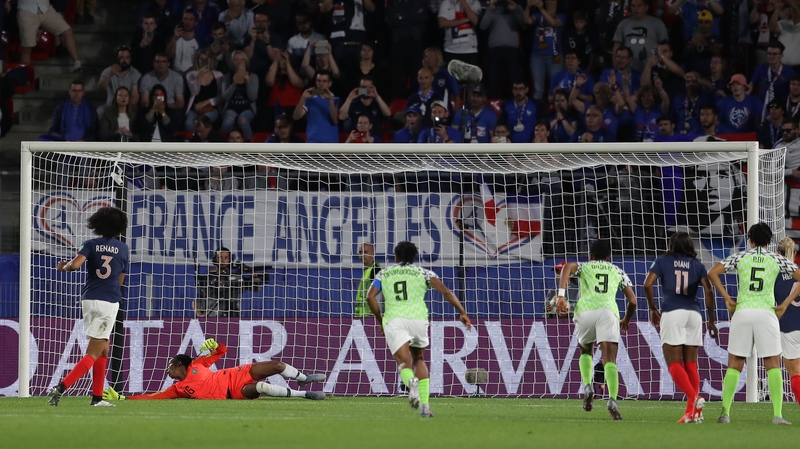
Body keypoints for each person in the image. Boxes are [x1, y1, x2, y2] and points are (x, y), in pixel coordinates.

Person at [707, 222, 800, 425]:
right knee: (772, 365)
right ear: (769, 241)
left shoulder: (742, 256)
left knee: (735, 365)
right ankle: (777, 415)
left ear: (750, 239)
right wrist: (783, 305)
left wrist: (727, 299)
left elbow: (712, 273)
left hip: (743, 312)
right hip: (766, 314)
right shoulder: (776, 258)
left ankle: (725, 413)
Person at [366, 241, 472, 417]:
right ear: (413, 257)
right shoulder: (424, 272)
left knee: (403, 363)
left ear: (396, 256)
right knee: (419, 359)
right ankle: (424, 406)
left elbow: (370, 297)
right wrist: (462, 312)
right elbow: (446, 291)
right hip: (418, 320)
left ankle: (411, 383)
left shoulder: (384, 273)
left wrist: (380, 320)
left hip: (395, 319)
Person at [48, 207, 129, 407]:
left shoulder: (91, 244)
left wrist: (64, 267)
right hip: (108, 302)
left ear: (97, 224)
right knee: (93, 353)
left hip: (89, 299)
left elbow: (75, 265)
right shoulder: (123, 248)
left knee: (103, 350)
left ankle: (97, 398)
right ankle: (61, 387)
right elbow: (121, 278)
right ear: (120, 227)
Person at [554, 239, 637, 420]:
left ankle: (587, 386)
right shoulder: (617, 271)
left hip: (585, 312)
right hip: (608, 313)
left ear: (591, 255)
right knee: (610, 360)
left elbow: (567, 266)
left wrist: (561, 296)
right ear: (609, 257)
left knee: (585, 351)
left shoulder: (585, 267)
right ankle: (612, 400)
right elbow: (633, 301)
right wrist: (626, 319)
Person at [643, 232, 717, 423]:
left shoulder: (663, 261)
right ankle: (691, 413)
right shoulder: (698, 265)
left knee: (674, 364)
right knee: (691, 364)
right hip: (694, 314)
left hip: (673, 312)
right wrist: (710, 319)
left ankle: (694, 398)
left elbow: (647, 284)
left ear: (672, 245)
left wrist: (652, 308)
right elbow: (709, 291)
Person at [101, 338, 326, 401]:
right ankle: (305, 394)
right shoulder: (178, 389)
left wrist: (214, 344)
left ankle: (304, 378)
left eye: (170, 364)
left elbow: (222, 351)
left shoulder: (198, 363)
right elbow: (153, 397)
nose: (168, 369)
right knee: (262, 387)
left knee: (277, 366)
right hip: (234, 392)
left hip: (237, 372)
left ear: (179, 364)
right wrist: (124, 399)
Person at [194, 247, 262, 317]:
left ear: (230, 260)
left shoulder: (235, 277)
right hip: (213, 317)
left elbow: (256, 289)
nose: (223, 261)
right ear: (215, 259)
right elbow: (196, 301)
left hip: (233, 316)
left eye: (226, 258)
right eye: (220, 258)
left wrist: (256, 279)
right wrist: (200, 314)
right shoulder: (208, 278)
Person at [18, 0, 83, 72]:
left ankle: (77, 65)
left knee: (68, 31)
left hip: (46, 9)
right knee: (27, 47)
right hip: (27, 11)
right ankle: (25, 75)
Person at [774, 236, 800, 411]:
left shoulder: (773, 276)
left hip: (788, 327)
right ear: (795, 253)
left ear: (777, 253)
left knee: (795, 373)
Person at [480, 0, 525, 99]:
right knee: (493, 82)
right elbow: (483, 26)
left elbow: (524, 25)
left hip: (512, 51)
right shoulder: (493, 9)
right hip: (494, 51)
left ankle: (513, 107)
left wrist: (516, 10)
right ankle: (493, 106)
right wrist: (490, 10)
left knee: (514, 81)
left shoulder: (516, 8)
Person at [523, 0, 565, 102]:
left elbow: (554, 23)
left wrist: (541, 9)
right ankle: (537, 115)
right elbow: (527, 21)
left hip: (554, 57)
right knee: (538, 90)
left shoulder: (561, 16)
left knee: (556, 89)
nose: (549, 2)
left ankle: (556, 114)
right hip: (537, 57)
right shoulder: (538, 15)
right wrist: (528, 7)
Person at [386, 0, 428, 99]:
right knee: (397, 76)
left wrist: (400, 17)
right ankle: (397, 102)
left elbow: (423, 17)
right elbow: (391, 21)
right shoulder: (394, 2)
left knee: (415, 75)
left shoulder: (420, 2)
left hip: (415, 43)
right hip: (398, 44)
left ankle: (415, 100)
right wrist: (413, 16)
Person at [612, 0, 668, 73]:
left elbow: (666, 48)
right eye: (633, 6)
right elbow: (616, 47)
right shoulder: (623, 24)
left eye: (639, 6)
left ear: (646, 7)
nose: (636, 8)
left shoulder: (658, 24)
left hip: (652, 70)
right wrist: (615, 68)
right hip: (627, 71)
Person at [751, 41, 795, 121]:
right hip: (764, 107)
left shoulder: (790, 72)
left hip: (782, 109)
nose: (771, 56)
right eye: (769, 53)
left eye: (775, 54)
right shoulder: (761, 68)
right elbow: (751, 85)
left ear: (781, 55)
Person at [220, 50, 258, 140]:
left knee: (242, 120)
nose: (239, 62)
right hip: (231, 107)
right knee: (228, 121)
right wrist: (234, 84)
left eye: (242, 59)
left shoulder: (253, 77)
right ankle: (220, 147)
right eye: (236, 60)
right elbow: (225, 97)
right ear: (233, 62)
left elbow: (253, 98)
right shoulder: (227, 77)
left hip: (247, 108)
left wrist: (248, 83)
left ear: (246, 61)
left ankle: (250, 147)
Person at [139, 53, 186, 125]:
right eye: (157, 62)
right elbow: (144, 101)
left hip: (170, 109)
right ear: (153, 64)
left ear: (168, 64)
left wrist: (165, 107)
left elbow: (180, 101)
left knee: (176, 115)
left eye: (163, 62)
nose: (160, 64)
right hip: (152, 108)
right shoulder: (146, 78)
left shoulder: (177, 77)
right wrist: (154, 107)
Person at [293, 70, 340, 143]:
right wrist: (302, 99)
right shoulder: (310, 99)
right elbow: (296, 117)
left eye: (324, 81)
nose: (321, 84)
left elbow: (335, 120)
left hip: (331, 143)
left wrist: (330, 100)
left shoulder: (336, 100)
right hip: (313, 142)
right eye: (319, 81)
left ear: (330, 83)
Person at [184, 49, 224, 132]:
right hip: (195, 108)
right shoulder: (191, 75)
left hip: (211, 108)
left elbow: (221, 97)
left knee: (202, 123)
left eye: (206, 59)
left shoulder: (218, 75)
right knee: (189, 124)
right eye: (201, 59)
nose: (203, 61)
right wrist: (198, 78)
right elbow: (195, 92)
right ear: (197, 60)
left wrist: (207, 102)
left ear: (210, 60)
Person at [96, 46, 142, 118]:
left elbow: (135, 98)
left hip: (128, 106)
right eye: (121, 57)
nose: (124, 60)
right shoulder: (108, 71)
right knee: (100, 111)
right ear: (117, 59)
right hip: (111, 106)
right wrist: (109, 75)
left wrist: (122, 107)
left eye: (127, 58)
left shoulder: (135, 74)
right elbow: (100, 87)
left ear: (130, 59)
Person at [437, 0, 482, 66]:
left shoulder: (474, 2)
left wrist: (463, 2)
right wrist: (465, 20)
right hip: (451, 49)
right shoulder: (446, 2)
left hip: (469, 50)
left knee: (469, 76)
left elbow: (475, 20)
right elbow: (442, 23)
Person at [354, 243, 381, 319]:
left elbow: (380, 293)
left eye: (365, 252)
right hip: (361, 316)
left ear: (372, 254)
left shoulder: (375, 269)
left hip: (369, 318)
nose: (361, 255)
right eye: (360, 252)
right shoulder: (367, 271)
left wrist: (374, 313)